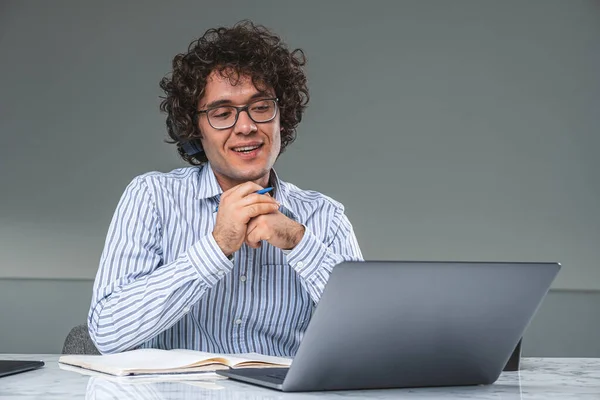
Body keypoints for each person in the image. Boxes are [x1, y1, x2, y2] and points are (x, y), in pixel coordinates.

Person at [88, 21, 363, 356]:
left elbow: (371, 342)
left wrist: (299, 243)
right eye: (222, 113)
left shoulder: (325, 216)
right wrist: (216, 247)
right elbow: (108, 333)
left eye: (261, 107)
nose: (245, 126)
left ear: (282, 117)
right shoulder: (152, 197)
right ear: (195, 129)